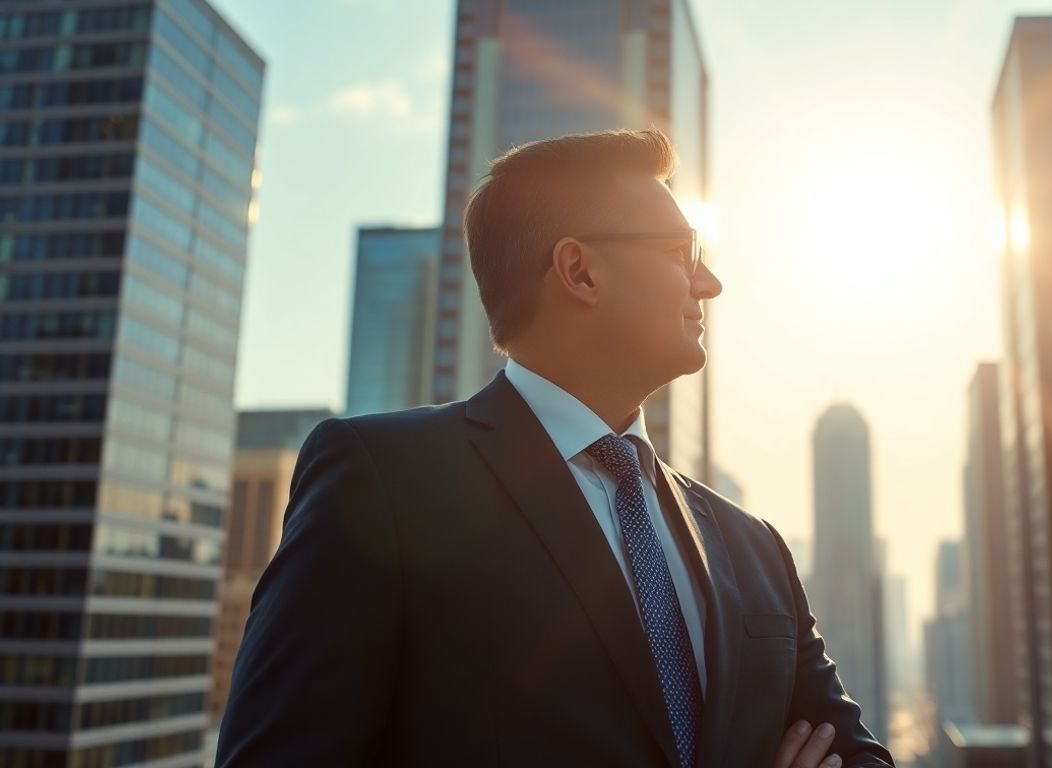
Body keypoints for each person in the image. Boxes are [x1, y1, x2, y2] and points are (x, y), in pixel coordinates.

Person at [215, 129, 895, 768]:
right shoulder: (384, 484)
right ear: (579, 271)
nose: (709, 282)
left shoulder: (756, 549)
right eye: (683, 252)